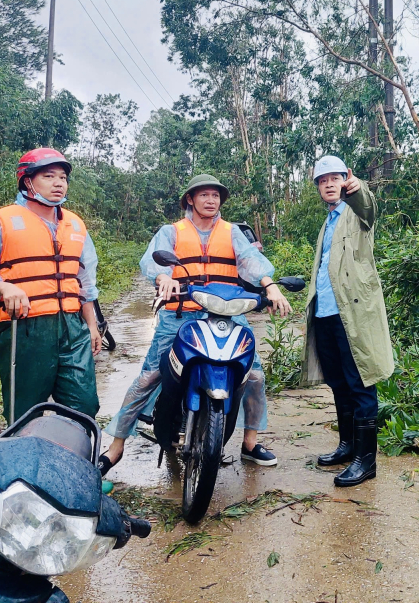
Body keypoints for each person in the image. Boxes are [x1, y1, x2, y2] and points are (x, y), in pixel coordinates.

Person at [100, 174, 292, 473]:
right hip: (181, 313)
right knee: (150, 376)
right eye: (204, 195)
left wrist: (270, 286)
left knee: (253, 375)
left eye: (215, 196)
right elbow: (154, 262)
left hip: (226, 313)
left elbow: (250, 261)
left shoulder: (231, 232)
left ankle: (250, 443)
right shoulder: (171, 231)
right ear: (190, 199)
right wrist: (164, 277)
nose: (211, 200)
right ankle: (116, 446)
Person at [0, 148, 102, 422]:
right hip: (24, 330)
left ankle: (76, 460)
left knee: (84, 407)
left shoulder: (76, 225)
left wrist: (93, 327)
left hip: (73, 328)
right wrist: (4, 287)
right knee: (24, 412)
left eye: (63, 177)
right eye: (49, 176)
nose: (59, 183)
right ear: (27, 181)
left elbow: (85, 284)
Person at [303, 155, 394, 487]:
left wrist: (358, 189)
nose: (329, 183)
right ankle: (347, 445)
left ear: (345, 180)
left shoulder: (356, 214)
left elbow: (368, 206)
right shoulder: (327, 221)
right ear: (317, 187)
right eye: (322, 180)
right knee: (338, 383)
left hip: (352, 315)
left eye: (335, 178)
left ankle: (365, 460)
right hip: (326, 314)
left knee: (360, 384)